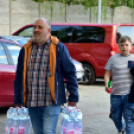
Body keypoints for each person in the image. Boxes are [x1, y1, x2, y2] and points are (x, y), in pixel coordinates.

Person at [14, 18, 79, 134]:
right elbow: (19, 76)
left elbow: (70, 72)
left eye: (40, 27)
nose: (36, 30)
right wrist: (18, 99)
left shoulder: (58, 47)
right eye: (34, 27)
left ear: (48, 30)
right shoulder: (25, 49)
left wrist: (73, 97)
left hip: (51, 102)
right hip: (32, 101)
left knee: (49, 131)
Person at [104, 36, 134, 134]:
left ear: (131, 46)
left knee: (129, 119)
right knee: (115, 117)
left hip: (129, 96)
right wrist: (108, 85)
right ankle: (121, 129)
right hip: (116, 95)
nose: (124, 47)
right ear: (119, 47)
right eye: (122, 45)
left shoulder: (133, 59)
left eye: (126, 45)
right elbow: (107, 74)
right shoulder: (113, 58)